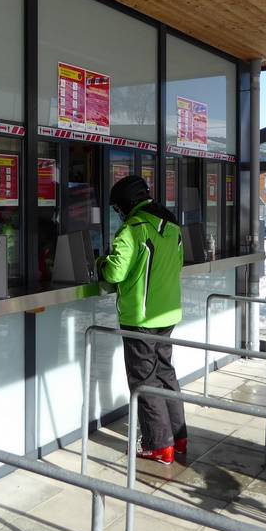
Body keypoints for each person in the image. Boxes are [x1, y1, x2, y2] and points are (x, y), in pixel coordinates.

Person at [97, 174, 187, 465]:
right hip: (167, 314)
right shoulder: (172, 227)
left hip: (141, 316)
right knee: (165, 373)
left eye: (117, 208)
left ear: (126, 203)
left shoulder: (134, 229)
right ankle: (179, 437)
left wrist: (100, 262)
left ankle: (158, 445)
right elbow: (176, 265)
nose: (118, 213)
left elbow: (114, 273)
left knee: (144, 380)